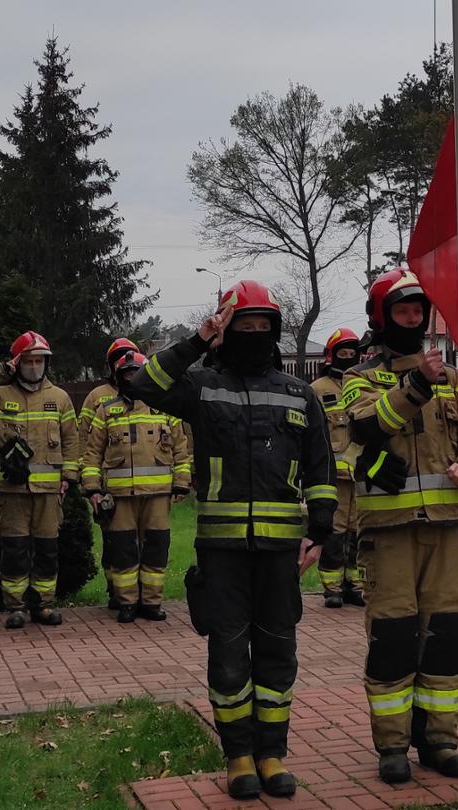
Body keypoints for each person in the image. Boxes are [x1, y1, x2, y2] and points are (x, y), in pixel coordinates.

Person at [124, 280, 336, 800]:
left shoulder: (298, 393)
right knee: (227, 655)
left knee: (277, 653)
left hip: (281, 552)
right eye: (246, 325)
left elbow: (321, 467)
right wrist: (197, 339)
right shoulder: (203, 386)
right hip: (220, 551)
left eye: (264, 326)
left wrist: (323, 529)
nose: (256, 334)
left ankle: (272, 755)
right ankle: (237, 754)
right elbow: (143, 384)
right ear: (228, 330)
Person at [341, 269, 458, 784]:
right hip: (389, 531)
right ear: (382, 317)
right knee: (393, 638)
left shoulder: (454, 378)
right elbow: (366, 426)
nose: (413, 319)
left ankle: (439, 740)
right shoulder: (363, 376)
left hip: (444, 529)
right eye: (402, 311)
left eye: (419, 311)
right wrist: (418, 384)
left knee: (445, 636)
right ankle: (392, 746)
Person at [0, 331, 82, 629]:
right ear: (18, 363)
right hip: (11, 492)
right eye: (28, 360)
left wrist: (69, 478)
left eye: (40, 361)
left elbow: (72, 441)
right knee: (14, 550)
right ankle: (15, 608)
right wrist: (1, 372)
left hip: (50, 493)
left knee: (47, 550)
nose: (35, 366)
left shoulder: (60, 398)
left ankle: (44, 606)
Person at [81, 350, 191, 623]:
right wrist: (93, 488)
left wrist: (181, 483)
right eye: (127, 374)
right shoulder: (106, 411)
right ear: (118, 377)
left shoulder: (165, 409)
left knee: (156, 548)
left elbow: (181, 449)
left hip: (158, 496)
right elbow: (92, 453)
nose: (132, 379)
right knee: (123, 550)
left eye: (137, 374)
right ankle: (127, 602)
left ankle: (152, 603)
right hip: (119, 498)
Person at [308, 327, 366, 609]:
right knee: (335, 531)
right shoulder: (317, 390)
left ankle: (354, 585)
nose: (348, 358)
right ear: (331, 356)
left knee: (358, 532)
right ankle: (332, 587)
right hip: (334, 476)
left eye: (351, 354)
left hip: (362, 475)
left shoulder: (364, 386)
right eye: (342, 354)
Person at [85, 338, 141, 611]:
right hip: (109, 484)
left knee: (143, 541)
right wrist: (91, 483)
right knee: (113, 542)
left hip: (141, 485)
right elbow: (87, 440)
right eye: (118, 357)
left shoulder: (148, 397)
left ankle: (139, 594)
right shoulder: (96, 397)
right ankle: (115, 591)